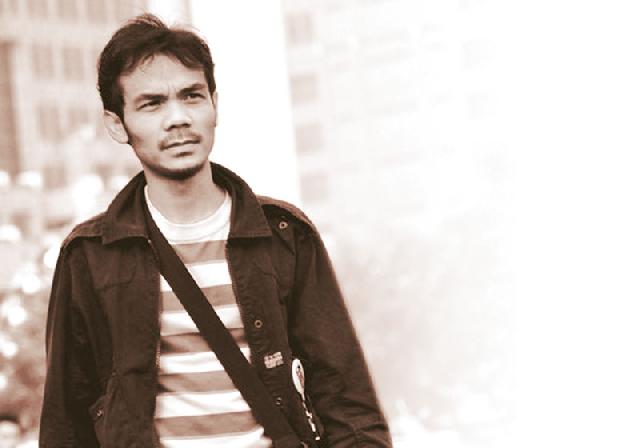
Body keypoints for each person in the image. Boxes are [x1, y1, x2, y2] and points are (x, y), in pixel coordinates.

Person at [39, 13, 391, 448]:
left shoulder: (285, 235)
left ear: (215, 105)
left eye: (192, 96)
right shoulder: (90, 255)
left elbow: (348, 403)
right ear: (117, 124)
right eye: (152, 104)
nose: (178, 118)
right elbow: (66, 424)